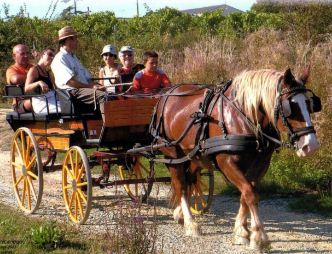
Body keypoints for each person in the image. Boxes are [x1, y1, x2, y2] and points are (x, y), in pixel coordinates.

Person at [51, 26, 106, 118]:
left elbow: (87, 78)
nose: (77, 41)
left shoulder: (73, 57)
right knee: (103, 97)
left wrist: (97, 85)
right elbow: (70, 82)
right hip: (73, 92)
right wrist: (90, 86)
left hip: (82, 89)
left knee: (111, 94)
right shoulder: (60, 58)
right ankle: (109, 126)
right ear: (68, 40)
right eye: (75, 38)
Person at [25, 48, 60, 114]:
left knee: (71, 106)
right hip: (42, 102)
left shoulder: (48, 73)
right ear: (42, 55)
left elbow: (54, 88)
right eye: (49, 54)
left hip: (52, 100)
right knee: (66, 109)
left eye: (53, 56)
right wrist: (39, 82)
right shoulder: (34, 70)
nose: (51, 57)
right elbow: (26, 88)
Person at [6, 44, 34, 113]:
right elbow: (16, 79)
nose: (26, 56)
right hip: (20, 103)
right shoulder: (12, 69)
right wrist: (34, 77)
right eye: (22, 54)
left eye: (27, 53)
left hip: (38, 98)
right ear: (14, 56)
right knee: (34, 103)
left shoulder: (33, 67)